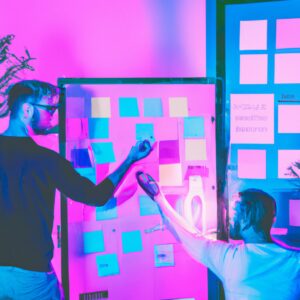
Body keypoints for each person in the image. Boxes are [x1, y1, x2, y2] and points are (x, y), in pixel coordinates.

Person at [0, 80, 152, 300]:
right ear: (27, 109)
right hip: (32, 278)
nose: (54, 115)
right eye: (50, 108)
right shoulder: (46, 160)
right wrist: (130, 159)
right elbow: (96, 196)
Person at [136, 171, 300, 300]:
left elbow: (189, 237)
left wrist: (159, 199)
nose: (230, 219)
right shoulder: (294, 261)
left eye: (235, 212)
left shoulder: (230, 259)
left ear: (247, 218)